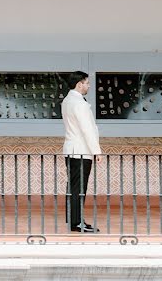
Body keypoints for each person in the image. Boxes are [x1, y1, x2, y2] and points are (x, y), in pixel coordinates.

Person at [61, 70, 102, 233]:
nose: (89, 85)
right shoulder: (79, 103)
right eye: (86, 82)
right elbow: (87, 129)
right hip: (81, 150)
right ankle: (77, 222)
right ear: (79, 84)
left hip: (72, 150)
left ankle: (73, 220)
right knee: (79, 188)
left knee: (73, 187)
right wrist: (96, 151)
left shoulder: (68, 100)